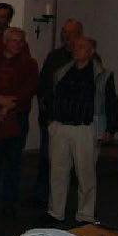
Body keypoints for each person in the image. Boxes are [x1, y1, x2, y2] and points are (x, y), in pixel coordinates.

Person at [45, 36, 118, 226]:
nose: (76, 50)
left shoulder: (102, 75)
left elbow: (111, 101)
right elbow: (52, 95)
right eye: (75, 47)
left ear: (91, 51)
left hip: (85, 127)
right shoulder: (62, 71)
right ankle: (55, 211)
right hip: (61, 126)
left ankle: (85, 214)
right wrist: (51, 119)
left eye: (81, 47)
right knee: (57, 171)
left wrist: (110, 128)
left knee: (85, 173)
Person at [0, 27, 38, 215]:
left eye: (21, 41)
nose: (18, 45)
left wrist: (8, 105)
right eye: (14, 40)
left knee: (13, 160)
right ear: (5, 41)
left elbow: (29, 89)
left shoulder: (29, 64)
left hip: (17, 116)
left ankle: (10, 202)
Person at [34, 18, 84, 205]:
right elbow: (44, 83)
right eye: (64, 32)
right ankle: (43, 197)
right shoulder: (54, 56)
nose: (66, 36)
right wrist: (43, 105)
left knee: (77, 164)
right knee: (47, 159)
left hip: (76, 120)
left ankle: (73, 201)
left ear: (79, 34)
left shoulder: (88, 59)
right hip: (52, 116)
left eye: (71, 32)